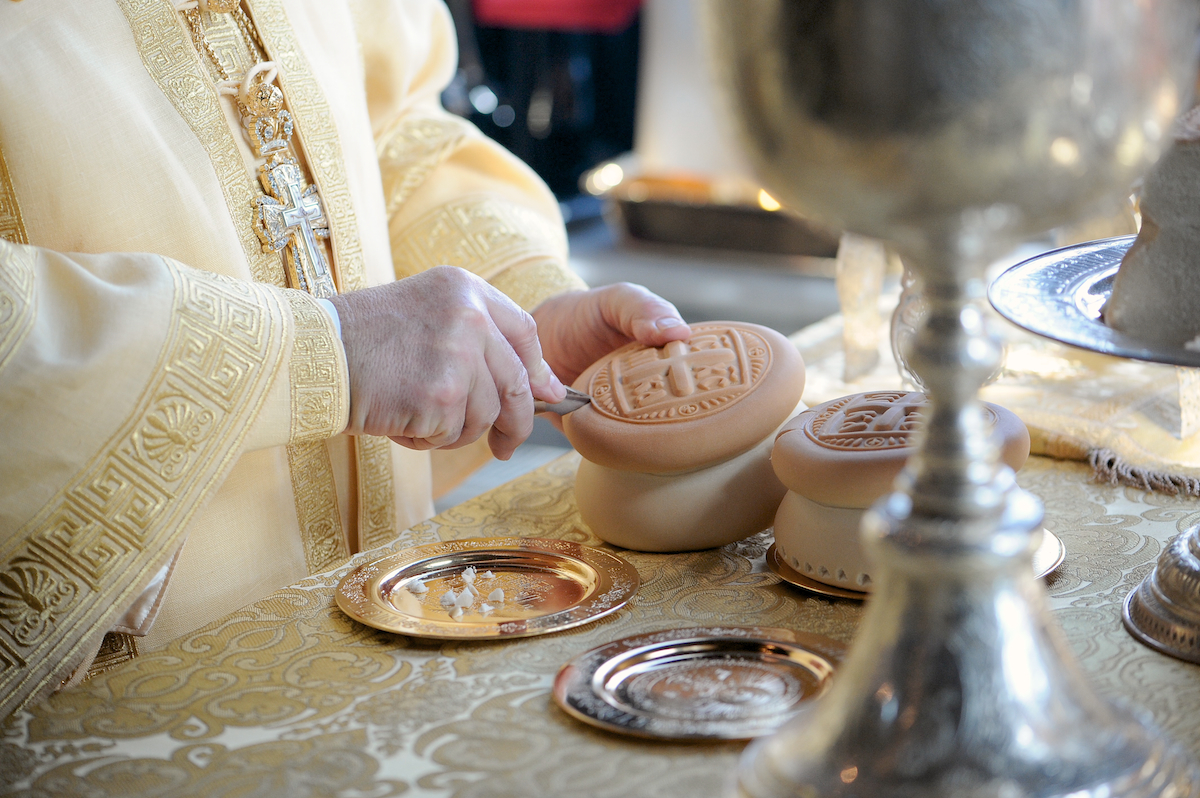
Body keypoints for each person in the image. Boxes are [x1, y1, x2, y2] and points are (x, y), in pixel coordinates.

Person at [0, 0, 689, 718]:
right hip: (131, 710)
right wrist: (320, 354)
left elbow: (387, 133)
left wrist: (520, 306)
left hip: (396, 621)